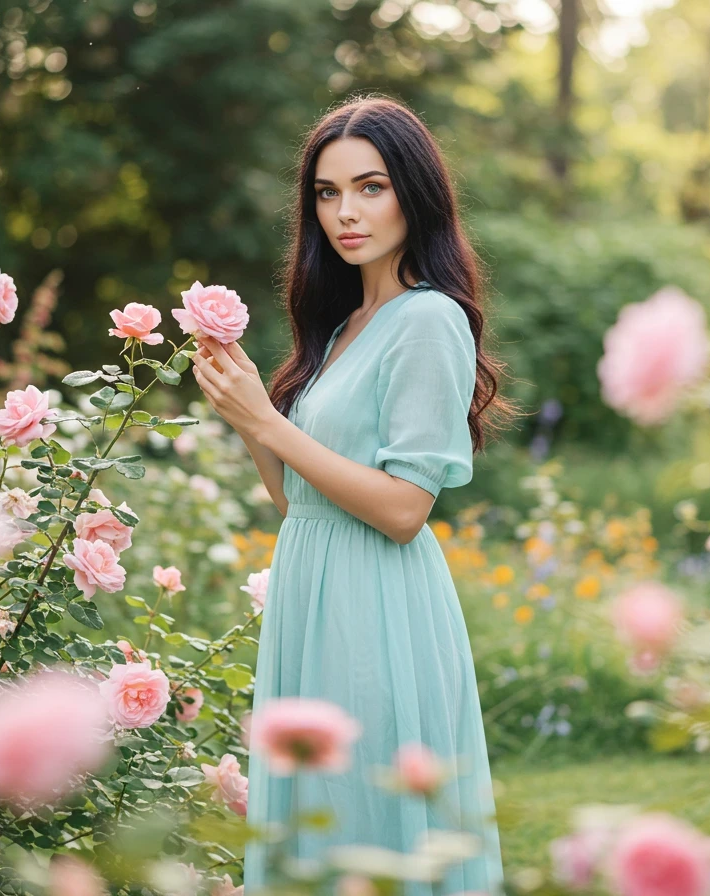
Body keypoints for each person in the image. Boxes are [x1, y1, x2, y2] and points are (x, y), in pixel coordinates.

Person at [190, 94, 515, 896]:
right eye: (328, 193)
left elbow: (405, 509)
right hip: (312, 588)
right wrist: (242, 415)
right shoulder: (343, 326)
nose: (346, 212)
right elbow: (300, 498)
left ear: (414, 192)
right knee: (315, 823)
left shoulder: (428, 319)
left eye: (370, 187)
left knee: (367, 819)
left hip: (377, 606)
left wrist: (269, 419)